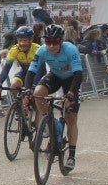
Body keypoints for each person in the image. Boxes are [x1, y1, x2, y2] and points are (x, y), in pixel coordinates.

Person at [28, 23, 84, 171]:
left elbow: (79, 74)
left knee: (71, 118)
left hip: (72, 80)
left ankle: (71, 155)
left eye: (55, 42)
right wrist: (27, 90)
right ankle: (50, 122)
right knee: (37, 92)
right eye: (48, 42)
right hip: (55, 76)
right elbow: (31, 71)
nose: (51, 46)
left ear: (61, 41)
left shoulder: (70, 49)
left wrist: (71, 93)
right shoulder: (42, 50)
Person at [0, 25, 40, 112]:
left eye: (25, 40)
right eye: (20, 40)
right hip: (25, 72)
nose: (22, 43)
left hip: (37, 74)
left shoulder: (37, 49)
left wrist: (32, 87)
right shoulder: (14, 49)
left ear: (31, 39)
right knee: (13, 86)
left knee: (36, 98)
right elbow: (6, 68)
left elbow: (41, 70)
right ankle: (20, 108)